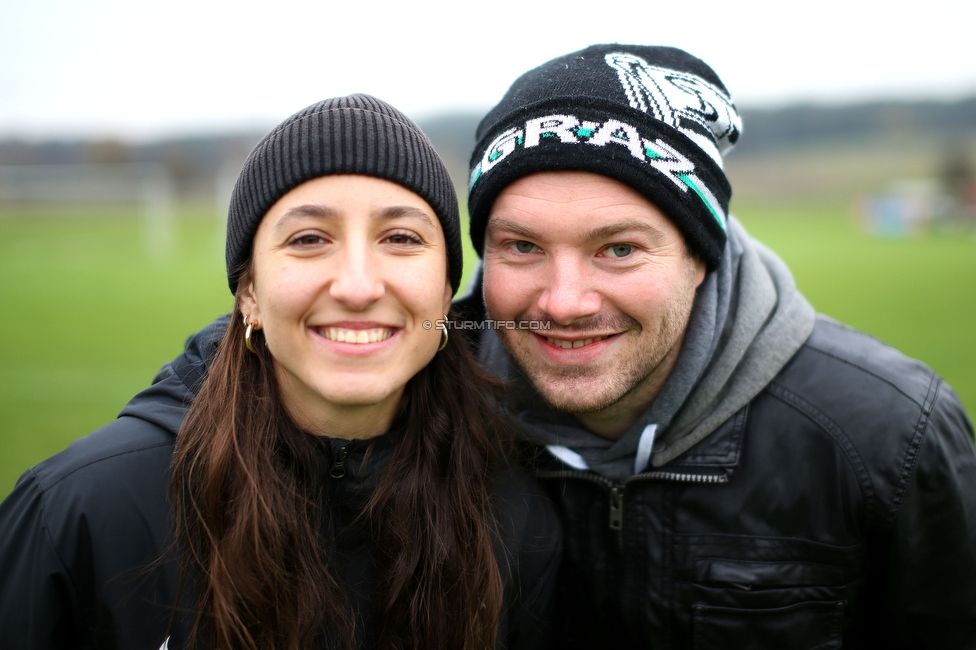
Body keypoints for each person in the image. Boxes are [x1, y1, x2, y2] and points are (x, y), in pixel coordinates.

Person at [452, 45, 976, 648]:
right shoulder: (428, 417)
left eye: (619, 249)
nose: (565, 302)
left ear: (701, 254)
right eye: (522, 246)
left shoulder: (891, 435)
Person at [0, 94, 561, 650]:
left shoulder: (515, 513)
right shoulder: (83, 512)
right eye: (309, 239)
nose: (359, 286)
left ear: (444, 292)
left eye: (401, 239)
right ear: (249, 292)